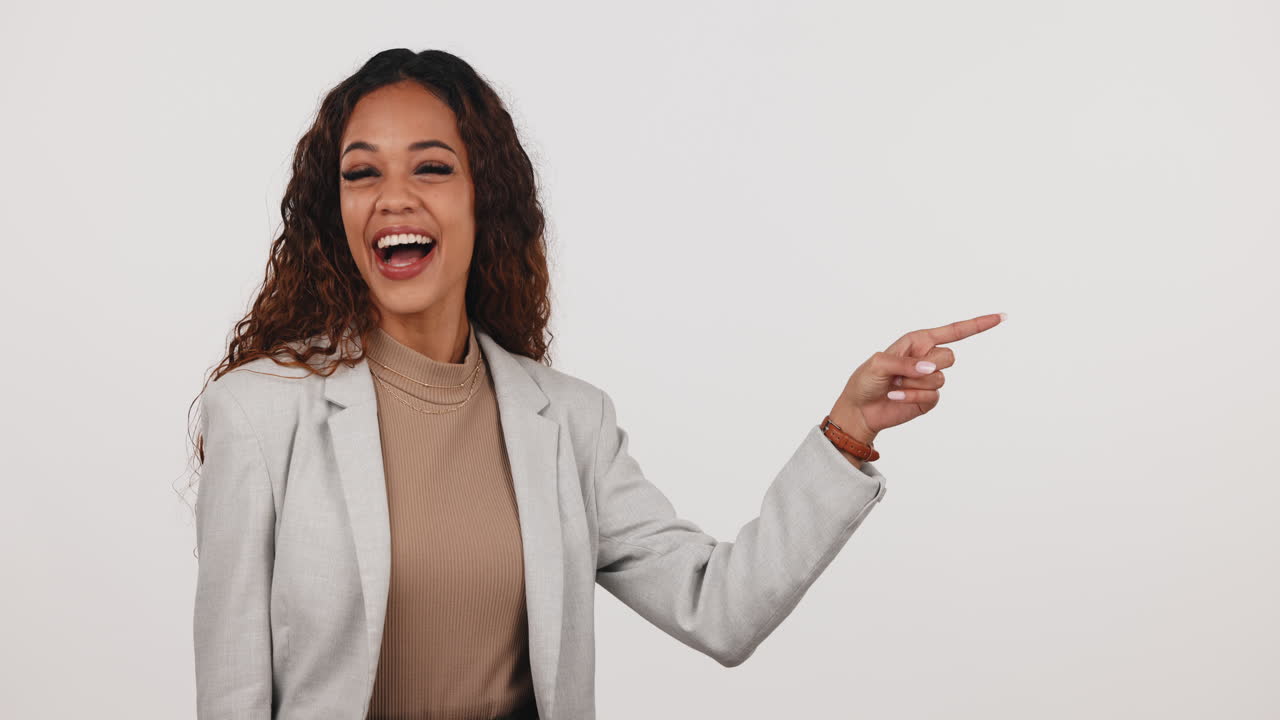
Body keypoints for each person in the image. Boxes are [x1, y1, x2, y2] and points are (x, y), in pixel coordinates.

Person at [187, 47, 1003, 720]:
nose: (392, 197)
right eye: (361, 174)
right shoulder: (257, 414)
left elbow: (719, 608)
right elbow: (233, 694)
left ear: (484, 197)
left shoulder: (568, 422)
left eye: (431, 167)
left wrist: (848, 429)